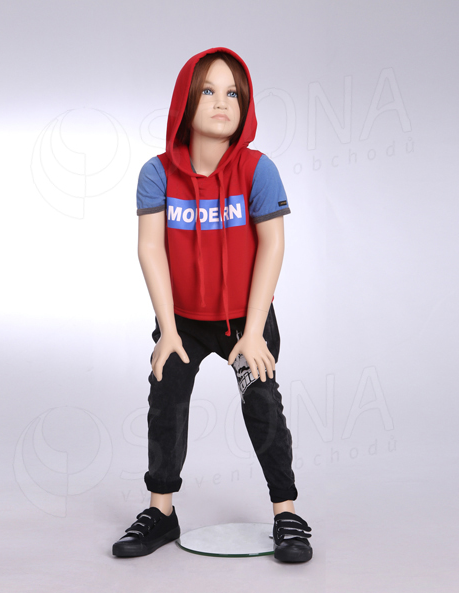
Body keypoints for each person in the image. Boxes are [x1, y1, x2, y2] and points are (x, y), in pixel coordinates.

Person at [112, 48, 312, 563]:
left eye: (233, 94)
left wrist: (254, 332)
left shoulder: (258, 170)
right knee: (166, 395)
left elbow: (273, 246)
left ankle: (286, 513)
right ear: (186, 99)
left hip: (245, 320)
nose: (222, 102)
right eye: (208, 90)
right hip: (183, 321)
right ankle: (161, 511)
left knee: (261, 400)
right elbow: (150, 249)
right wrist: (167, 330)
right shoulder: (157, 173)